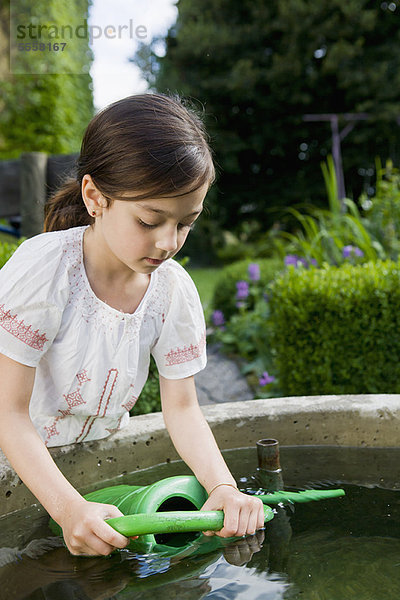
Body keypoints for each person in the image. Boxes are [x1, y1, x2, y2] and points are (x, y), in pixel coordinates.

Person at [0, 93, 264, 557]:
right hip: (12, 464)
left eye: (186, 223)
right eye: (149, 220)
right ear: (94, 197)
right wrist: (67, 509)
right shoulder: (47, 271)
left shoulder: (172, 291)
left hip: (92, 471)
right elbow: (9, 413)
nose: (168, 242)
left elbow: (181, 409)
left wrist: (223, 486)